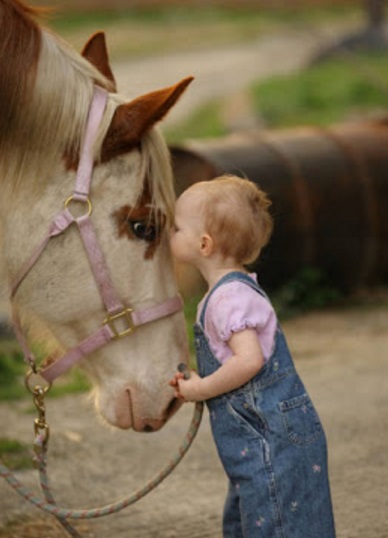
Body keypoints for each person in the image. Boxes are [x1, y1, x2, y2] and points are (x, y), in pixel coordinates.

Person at [169, 175, 336, 538]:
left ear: (204, 243)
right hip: (256, 445)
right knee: (254, 519)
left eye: (176, 228)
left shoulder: (229, 299)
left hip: (270, 443)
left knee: (276, 522)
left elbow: (249, 361)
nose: (170, 233)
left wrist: (201, 390)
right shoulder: (228, 291)